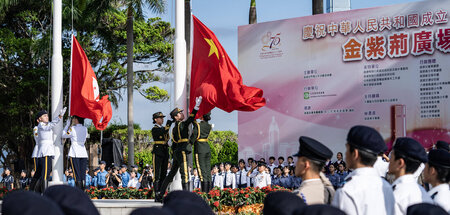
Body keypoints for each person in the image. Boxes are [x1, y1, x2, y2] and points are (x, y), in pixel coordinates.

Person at [332, 125, 395, 215]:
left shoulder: (347, 190)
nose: (345, 154)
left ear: (355, 154)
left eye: (347, 149)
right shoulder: (387, 187)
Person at [155, 96, 202, 202]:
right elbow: (191, 118)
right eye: (180, 113)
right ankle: (186, 197)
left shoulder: (174, 128)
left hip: (176, 152)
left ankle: (160, 194)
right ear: (176, 117)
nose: (182, 114)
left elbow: (173, 142)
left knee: (171, 174)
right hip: (183, 151)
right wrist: (196, 107)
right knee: (184, 173)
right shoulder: (182, 125)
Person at [388, 137, 433, 214]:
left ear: (400, 163)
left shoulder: (396, 195)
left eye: (391, 156)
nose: (389, 161)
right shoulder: (423, 193)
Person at [292, 136, 334, 204]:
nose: (296, 164)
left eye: (298, 160)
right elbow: (327, 183)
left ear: (306, 165)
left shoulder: (298, 197)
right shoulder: (329, 190)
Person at [33, 108, 66, 192]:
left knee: (38, 174)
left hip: (46, 151)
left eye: (47, 115)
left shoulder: (45, 125)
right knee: (45, 174)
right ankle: (44, 194)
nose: (47, 117)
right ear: (39, 119)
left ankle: (33, 192)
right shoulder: (41, 125)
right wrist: (60, 116)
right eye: (44, 116)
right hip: (45, 152)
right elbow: (51, 125)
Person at [62, 115, 88, 190]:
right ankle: (83, 192)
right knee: (83, 175)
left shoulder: (72, 128)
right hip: (83, 152)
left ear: (76, 120)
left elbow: (63, 135)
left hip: (75, 152)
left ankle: (79, 193)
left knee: (77, 175)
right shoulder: (85, 129)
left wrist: (67, 125)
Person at [151, 111, 173, 195]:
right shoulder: (155, 129)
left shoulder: (163, 128)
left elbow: (166, 136)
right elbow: (163, 131)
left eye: (163, 118)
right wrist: (169, 122)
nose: (162, 119)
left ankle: (162, 191)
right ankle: (156, 192)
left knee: (164, 172)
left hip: (164, 151)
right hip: (157, 151)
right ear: (156, 119)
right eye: (160, 118)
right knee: (157, 173)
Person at [190, 112, 212, 193]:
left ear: (202, 116)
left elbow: (194, 136)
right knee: (207, 171)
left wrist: (189, 143)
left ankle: (205, 193)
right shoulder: (208, 126)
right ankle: (210, 192)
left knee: (202, 172)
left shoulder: (198, 126)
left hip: (200, 149)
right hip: (206, 147)